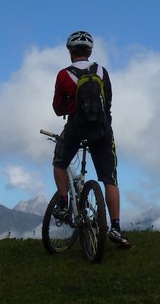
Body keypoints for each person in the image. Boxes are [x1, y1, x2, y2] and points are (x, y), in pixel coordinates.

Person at [51, 30, 130, 247]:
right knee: (110, 179)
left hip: (76, 128)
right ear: (90, 51)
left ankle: (65, 204)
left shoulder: (64, 75)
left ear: (70, 51)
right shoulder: (101, 71)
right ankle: (115, 227)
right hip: (102, 131)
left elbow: (58, 109)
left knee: (59, 163)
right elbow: (109, 101)